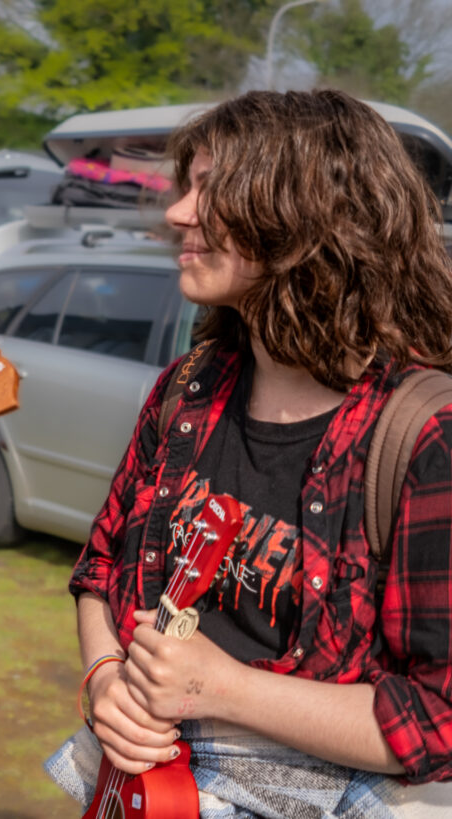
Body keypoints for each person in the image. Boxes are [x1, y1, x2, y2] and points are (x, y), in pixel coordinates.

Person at [70, 89, 452, 816]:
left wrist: (223, 690)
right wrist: (104, 675)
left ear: (305, 217)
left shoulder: (424, 433)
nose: (179, 213)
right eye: (188, 186)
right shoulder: (188, 388)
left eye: (213, 191)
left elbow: (437, 715)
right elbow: (98, 568)